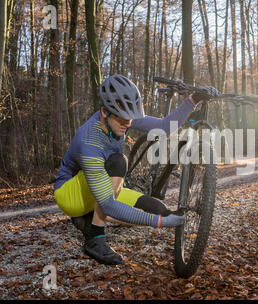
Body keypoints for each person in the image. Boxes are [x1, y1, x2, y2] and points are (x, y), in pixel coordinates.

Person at [54, 74, 218, 265]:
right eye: (124, 120)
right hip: (69, 194)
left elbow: (165, 127)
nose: (129, 124)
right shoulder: (89, 140)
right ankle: (94, 238)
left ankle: (87, 218)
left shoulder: (122, 117)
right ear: (105, 112)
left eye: (131, 119)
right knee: (118, 162)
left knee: (159, 209)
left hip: (94, 189)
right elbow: (108, 204)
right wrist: (159, 224)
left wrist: (193, 100)